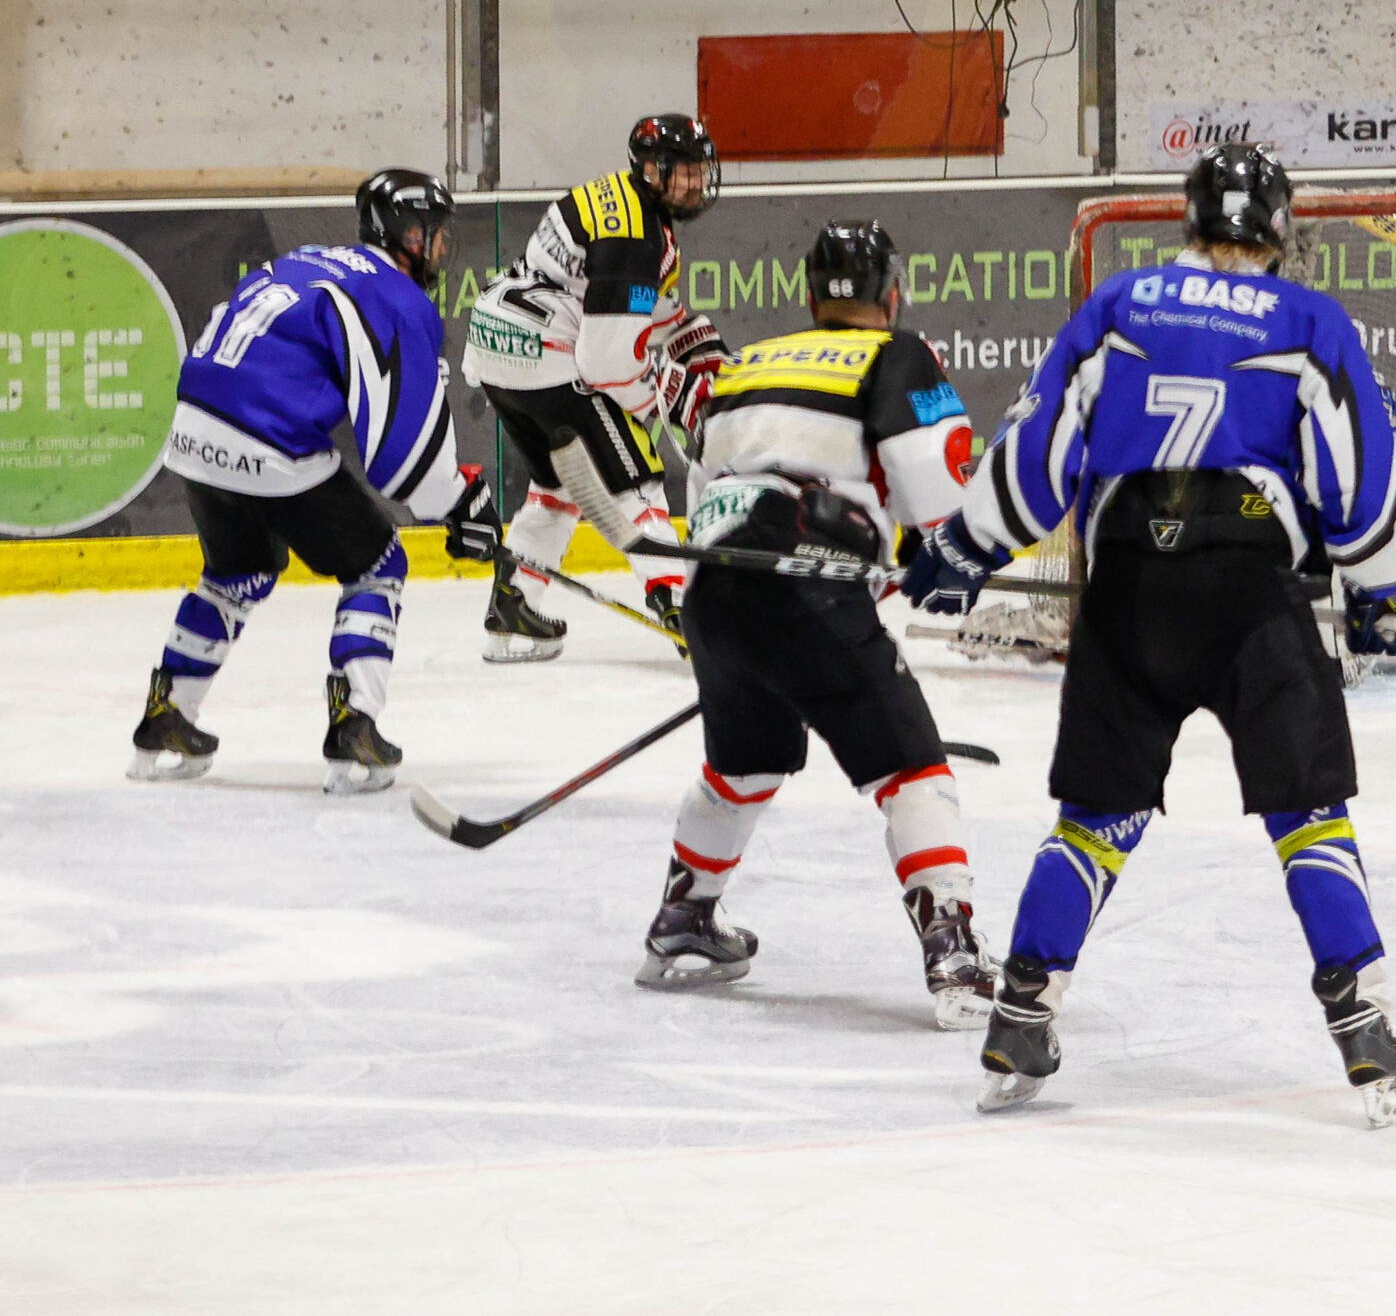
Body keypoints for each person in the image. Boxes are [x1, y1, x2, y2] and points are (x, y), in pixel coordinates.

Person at [903, 142, 1396, 1127]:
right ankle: (1365, 1030)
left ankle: (1022, 1013)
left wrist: (965, 547)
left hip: (1128, 584)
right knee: (1309, 816)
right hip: (1250, 587)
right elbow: (1356, 479)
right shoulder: (1306, 318)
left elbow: (1038, 450)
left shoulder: (1119, 305)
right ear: (1278, 227)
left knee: (1093, 821)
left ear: (1188, 221)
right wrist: (1383, 584)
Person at [631, 221, 995, 1029]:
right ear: (891, 294)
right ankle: (955, 952)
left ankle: (685, 917)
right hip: (810, 583)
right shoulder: (898, 355)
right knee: (913, 770)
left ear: (808, 296)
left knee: (744, 764)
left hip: (715, 587)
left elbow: (707, 488)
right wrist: (945, 560)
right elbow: (935, 500)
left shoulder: (745, 366)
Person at [131, 170, 500, 793]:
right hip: (266, 440)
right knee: (377, 564)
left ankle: (167, 712)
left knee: (235, 573)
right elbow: (405, 461)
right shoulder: (396, 295)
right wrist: (460, 504)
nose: (442, 248)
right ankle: (355, 724)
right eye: (435, 234)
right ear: (409, 235)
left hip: (192, 434)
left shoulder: (304, 260)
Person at [461, 113, 728, 660]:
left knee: (558, 487)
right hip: (547, 354)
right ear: (650, 171)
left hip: (499, 345)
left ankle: (513, 612)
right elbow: (607, 363)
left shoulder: (623, 201)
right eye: (683, 172)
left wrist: (698, 346)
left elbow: (633, 303)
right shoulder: (636, 235)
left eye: (700, 170)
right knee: (635, 481)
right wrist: (671, 395)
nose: (696, 183)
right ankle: (684, 611)